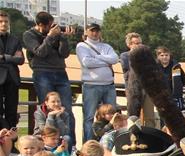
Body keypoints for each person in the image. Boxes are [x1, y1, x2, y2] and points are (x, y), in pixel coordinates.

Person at [23, 11, 74, 140]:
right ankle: (47, 142)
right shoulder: (29, 35)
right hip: (42, 72)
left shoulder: (56, 34)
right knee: (47, 109)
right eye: (48, 26)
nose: (51, 28)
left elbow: (64, 54)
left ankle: (70, 143)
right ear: (40, 25)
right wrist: (50, 37)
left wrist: (62, 37)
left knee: (66, 109)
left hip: (61, 72)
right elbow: (40, 52)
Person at [76, 23, 118, 142]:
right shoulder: (82, 46)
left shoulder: (106, 46)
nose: (95, 33)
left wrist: (97, 58)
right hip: (91, 85)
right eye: (92, 31)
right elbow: (87, 63)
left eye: (97, 31)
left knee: (112, 116)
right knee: (89, 117)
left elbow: (115, 59)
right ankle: (89, 144)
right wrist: (105, 60)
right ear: (87, 32)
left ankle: (111, 143)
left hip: (109, 85)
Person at [122, 33, 157, 128]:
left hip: (147, 88)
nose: (138, 45)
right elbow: (127, 74)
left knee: (150, 117)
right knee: (133, 117)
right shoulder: (125, 56)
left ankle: (150, 139)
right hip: (132, 89)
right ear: (129, 45)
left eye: (140, 43)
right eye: (135, 43)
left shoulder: (147, 56)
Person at [0, 11, 24, 130]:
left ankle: (12, 142)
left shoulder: (15, 39)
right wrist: (11, 58)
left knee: (12, 112)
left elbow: (20, 59)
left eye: (6, 22)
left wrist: (4, 57)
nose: (4, 24)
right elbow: (16, 58)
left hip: (12, 78)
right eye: (0, 22)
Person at [156, 46, 185, 111]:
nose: (164, 57)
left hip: (175, 98)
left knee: (176, 118)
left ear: (169, 56)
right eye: (162, 55)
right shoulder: (155, 68)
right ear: (158, 57)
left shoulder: (176, 67)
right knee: (163, 118)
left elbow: (184, 80)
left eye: (166, 55)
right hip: (161, 98)